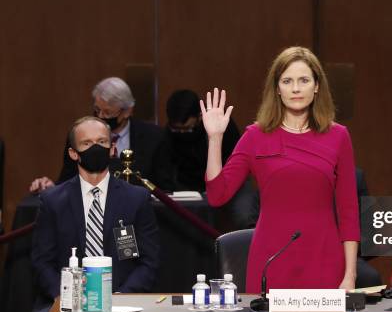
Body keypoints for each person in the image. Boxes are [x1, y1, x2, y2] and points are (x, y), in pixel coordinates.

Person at [201, 46, 360, 292]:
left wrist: (350, 275)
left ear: (317, 86)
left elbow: (349, 211)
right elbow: (217, 194)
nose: (296, 89)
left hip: (324, 259)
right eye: (287, 81)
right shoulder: (255, 136)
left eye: (304, 80)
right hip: (271, 260)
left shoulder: (338, 136)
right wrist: (215, 139)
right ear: (277, 88)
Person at [21, 117, 159, 312]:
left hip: (122, 303)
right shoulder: (53, 201)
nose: (96, 148)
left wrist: (121, 297)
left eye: (102, 141)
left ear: (113, 148)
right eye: (87, 144)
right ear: (74, 153)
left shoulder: (135, 198)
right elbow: (42, 261)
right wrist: (66, 298)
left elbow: (148, 261)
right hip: (66, 304)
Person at [29, 77, 173, 192]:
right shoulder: (80, 133)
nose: (101, 116)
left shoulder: (154, 137)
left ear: (127, 111)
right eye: (97, 110)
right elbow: (68, 179)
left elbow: (164, 186)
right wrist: (50, 187)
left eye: (108, 112)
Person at [165, 89, 241, 191]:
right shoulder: (170, 131)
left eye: (187, 128)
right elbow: (166, 168)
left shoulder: (220, 124)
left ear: (200, 116)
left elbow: (234, 162)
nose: (182, 133)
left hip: (222, 180)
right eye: (177, 129)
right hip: (184, 187)